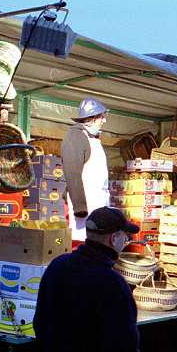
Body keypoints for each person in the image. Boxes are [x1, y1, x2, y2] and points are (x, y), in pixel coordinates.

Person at [33, 207, 142, 352]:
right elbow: (125, 349)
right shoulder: (113, 284)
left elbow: (40, 324)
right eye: (125, 236)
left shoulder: (57, 266)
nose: (125, 241)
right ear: (114, 239)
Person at [61, 98, 110, 243]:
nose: (104, 121)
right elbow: (72, 174)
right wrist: (80, 207)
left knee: (96, 241)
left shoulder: (92, 138)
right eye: (102, 117)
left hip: (97, 202)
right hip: (85, 206)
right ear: (92, 118)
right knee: (82, 242)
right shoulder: (75, 137)